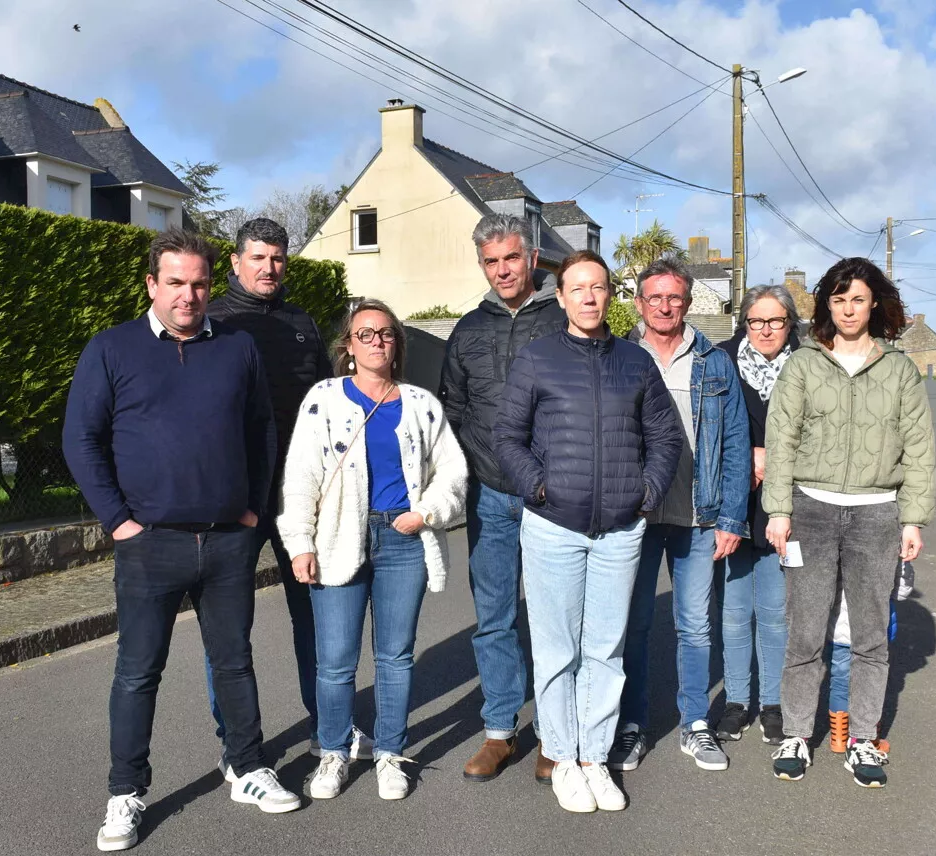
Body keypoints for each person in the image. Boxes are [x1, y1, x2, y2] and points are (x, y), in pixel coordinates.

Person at [63, 229, 300, 853]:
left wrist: (252, 510)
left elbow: (262, 431)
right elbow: (81, 441)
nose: (189, 295)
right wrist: (119, 522)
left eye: (198, 283)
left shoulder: (237, 348)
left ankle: (246, 768)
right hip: (151, 545)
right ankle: (126, 792)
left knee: (235, 662)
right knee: (138, 673)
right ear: (152, 284)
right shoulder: (111, 349)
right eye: (176, 282)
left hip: (227, 542)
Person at [495, 250, 681, 813]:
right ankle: (562, 756)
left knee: (605, 650)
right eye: (578, 289)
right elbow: (507, 437)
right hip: (553, 527)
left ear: (609, 293)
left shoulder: (636, 362)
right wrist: (541, 487)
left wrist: (645, 493)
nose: (590, 298)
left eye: (598, 287)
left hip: (619, 532)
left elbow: (665, 437)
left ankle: (595, 757)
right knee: (557, 651)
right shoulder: (537, 359)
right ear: (561, 297)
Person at [277, 299, 468, 801]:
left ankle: (389, 752)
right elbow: (300, 475)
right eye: (366, 334)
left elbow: (452, 471)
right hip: (339, 534)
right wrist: (299, 542)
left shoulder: (422, 404)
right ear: (348, 346)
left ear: (397, 344)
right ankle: (334, 752)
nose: (377, 341)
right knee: (336, 660)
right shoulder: (323, 399)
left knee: (395, 656)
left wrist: (425, 513)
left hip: (401, 538)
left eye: (386, 334)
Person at [203, 217, 373, 762]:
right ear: (235, 262)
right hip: (237, 494)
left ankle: (331, 726)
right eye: (257, 258)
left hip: (300, 493)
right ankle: (235, 743)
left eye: (277, 258)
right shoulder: (212, 322)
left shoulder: (301, 320)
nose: (269, 268)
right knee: (229, 625)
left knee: (316, 612)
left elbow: (327, 403)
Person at [764, 257, 936, 789]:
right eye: (838, 300)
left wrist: (913, 519)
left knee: (869, 637)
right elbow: (782, 440)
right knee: (805, 632)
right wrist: (779, 510)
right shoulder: (803, 366)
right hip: (810, 513)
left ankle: (863, 739)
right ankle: (796, 732)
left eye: (857, 299)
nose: (847, 309)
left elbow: (920, 449)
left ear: (873, 305)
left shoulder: (900, 370)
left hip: (877, 514)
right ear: (827, 306)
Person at [440, 213, 566, 784]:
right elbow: (455, 412)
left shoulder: (564, 320)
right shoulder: (466, 330)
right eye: (491, 262)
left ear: (531, 259)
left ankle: (554, 733)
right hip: (490, 496)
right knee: (494, 619)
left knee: (554, 619)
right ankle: (499, 731)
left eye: (510, 259)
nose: (502, 271)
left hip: (552, 496)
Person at [613, 258, 750, 773]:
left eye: (674, 298)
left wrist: (733, 518)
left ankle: (695, 724)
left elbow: (735, 442)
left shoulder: (714, 362)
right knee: (636, 624)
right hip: (637, 518)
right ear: (639, 302)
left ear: (688, 303)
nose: (665, 306)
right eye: (655, 297)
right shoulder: (621, 356)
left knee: (695, 626)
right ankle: (632, 725)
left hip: (701, 516)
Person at [717, 285, 802, 746]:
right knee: (733, 612)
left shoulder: (807, 364)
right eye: (757, 321)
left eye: (776, 321)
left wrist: (776, 457)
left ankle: (772, 703)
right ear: (744, 322)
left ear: (790, 324)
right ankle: (736, 701)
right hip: (734, 497)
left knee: (773, 611)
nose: (766, 329)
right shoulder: (723, 360)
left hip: (783, 502)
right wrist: (745, 453)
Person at [826, 559, 913, 754]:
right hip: (875, 627)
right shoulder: (887, 543)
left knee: (840, 679)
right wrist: (904, 563)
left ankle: (838, 737)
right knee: (871, 679)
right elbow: (902, 590)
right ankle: (868, 736)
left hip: (840, 625)